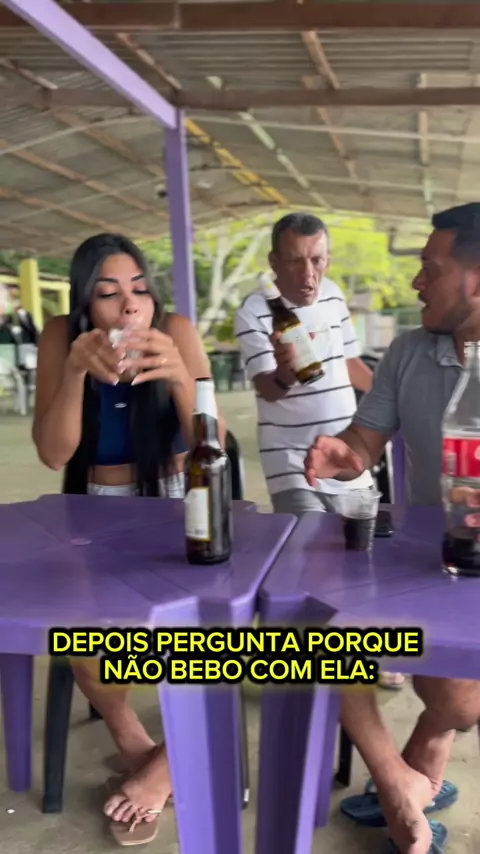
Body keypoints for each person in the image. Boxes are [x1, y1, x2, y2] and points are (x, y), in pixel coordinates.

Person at [33, 233, 225, 845]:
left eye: (139, 289)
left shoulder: (176, 330)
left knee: (212, 631)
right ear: (84, 302)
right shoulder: (61, 337)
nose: (129, 305)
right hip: (93, 508)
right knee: (76, 628)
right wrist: (73, 372)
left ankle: (161, 771)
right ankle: (140, 744)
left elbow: (216, 444)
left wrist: (179, 376)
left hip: (176, 502)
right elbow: (53, 453)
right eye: (108, 293)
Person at [303, 203, 480, 854]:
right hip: (426, 559)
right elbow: (365, 439)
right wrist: (345, 453)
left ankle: (420, 758)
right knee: (315, 631)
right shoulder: (409, 351)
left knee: (457, 699)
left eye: (430, 268)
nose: (416, 282)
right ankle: (399, 783)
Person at [234, 213, 374, 517]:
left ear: (328, 260)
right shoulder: (253, 311)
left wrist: (395, 401)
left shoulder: (333, 295)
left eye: (317, 260)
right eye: (295, 261)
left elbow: (350, 363)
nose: (308, 273)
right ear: (274, 262)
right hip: (291, 462)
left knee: (362, 536)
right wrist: (285, 375)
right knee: (309, 537)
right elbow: (267, 389)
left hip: (345, 452)